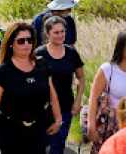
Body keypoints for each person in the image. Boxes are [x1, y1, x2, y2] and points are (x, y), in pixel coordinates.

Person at [0, 22, 62, 154]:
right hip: (10, 131)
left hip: (39, 127)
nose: (26, 44)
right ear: (11, 43)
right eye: (21, 41)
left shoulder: (42, 64)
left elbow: (53, 95)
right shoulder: (2, 72)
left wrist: (58, 119)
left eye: (29, 40)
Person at [35, 16, 85, 154]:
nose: (60, 35)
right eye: (56, 32)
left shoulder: (71, 52)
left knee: (58, 146)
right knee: (41, 145)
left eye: (62, 31)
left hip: (65, 107)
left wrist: (78, 100)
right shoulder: (39, 53)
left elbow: (81, 78)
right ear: (47, 33)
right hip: (43, 109)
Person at [88, 32, 126, 153]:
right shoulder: (108, 69)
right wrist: (91, 125)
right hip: (108, 125)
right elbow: (93, 98)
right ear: (121, 47)